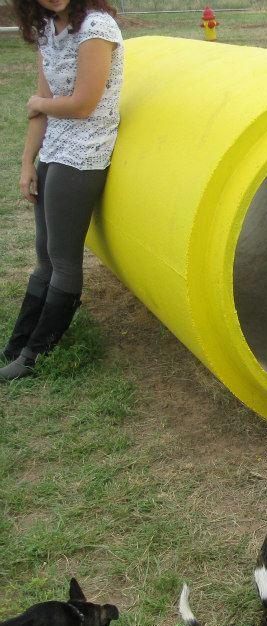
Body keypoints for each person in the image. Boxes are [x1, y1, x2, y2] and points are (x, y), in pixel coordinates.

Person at [2, 0, 123, 382]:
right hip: (55, 147)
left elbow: (83, 105)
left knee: (62, 257)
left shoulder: (97, 28)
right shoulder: (47, 30)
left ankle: (36, 355)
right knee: (43, 254)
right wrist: (26, 163)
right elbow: (41, 111)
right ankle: (18, 344)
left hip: (86, 150)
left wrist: (39, 102)